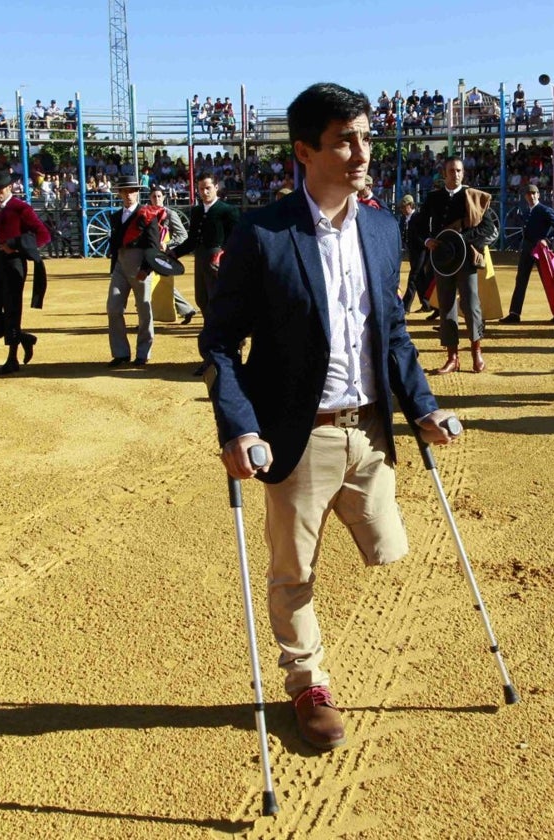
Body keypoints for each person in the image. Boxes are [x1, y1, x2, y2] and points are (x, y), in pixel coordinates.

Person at [200, 82, 458, 752]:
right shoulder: (263, 234)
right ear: (305, 150)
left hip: (370, 430)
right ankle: (308, 684)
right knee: (294, 572)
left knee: (388, 549)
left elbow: (393, 331)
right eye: (345, 139)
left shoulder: (381, 228)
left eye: (366, 137)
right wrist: (239, 426)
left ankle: (311, 653)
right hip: (297, 431)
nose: (361, 151)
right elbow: (221, 342)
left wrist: (423, 408)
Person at [419, 157, 496, 373]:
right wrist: (427, 240)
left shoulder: (474, 197)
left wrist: (462, 240)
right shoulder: (434, 198)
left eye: (459, 171)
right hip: (443, 260)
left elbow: (488, 228)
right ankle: (452, 357)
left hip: (465, 259)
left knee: (471, 304)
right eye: (452, 171)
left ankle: (476, 352)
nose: (456, 174)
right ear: (444, 174)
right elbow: (419, 225)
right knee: (446, 306)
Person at [0, 170, 51, 374]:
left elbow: (43, 235)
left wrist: (17, 247)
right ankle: (22, 337)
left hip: (14, 263)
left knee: (12, 310)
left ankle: (12, 358)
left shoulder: (21, 208)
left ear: (9, 187)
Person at [172, 172, 240, 373]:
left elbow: (237, 237)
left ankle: (228, 357)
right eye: (201, 188)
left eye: (208, 187)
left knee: (220, 308)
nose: (204, 192)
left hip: (219, 262)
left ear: (216, 187)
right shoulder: (196, 211)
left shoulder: (228, 210)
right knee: (204, 303)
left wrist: (224, 254)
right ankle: (211, 358)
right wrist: (175, 252)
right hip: (201, 261)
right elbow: (192, 240)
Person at [106, 177, 163, 366]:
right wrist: (114, 266)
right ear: (120, 193)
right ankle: (121, 353)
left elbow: (153, 246)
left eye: (132, 191)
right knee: (113, 308)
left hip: (140, 266)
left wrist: (147, 269)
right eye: (125, 191)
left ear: (137, 192)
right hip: (120, 266)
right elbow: (115, 245)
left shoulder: (146, 214)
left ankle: (143, 353)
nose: (129, 194)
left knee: (144, 310)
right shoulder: (116, 217)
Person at [502, 185, 554, 323]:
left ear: (538, 195)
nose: (531, 196)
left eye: (534, 193)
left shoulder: (544, 210)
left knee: (548, 281)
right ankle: (514, 313)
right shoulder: (526, 211)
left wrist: (547, 239)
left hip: (540, 249)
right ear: (525, 196)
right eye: (528, 194)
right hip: (527, 248)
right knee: (521, 280)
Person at [148, 185, 197, 325]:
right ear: (150, 198)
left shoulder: (170, 214)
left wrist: (168, 244)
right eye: (154, 196)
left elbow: (183, 235)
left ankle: (147, 318)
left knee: (154, 284)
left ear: (163, 197)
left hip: (164, 255)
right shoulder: (147, 213)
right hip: (151, 253)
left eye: (159, 196)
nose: (156, 199)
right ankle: (186, 309)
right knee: (159, 284)